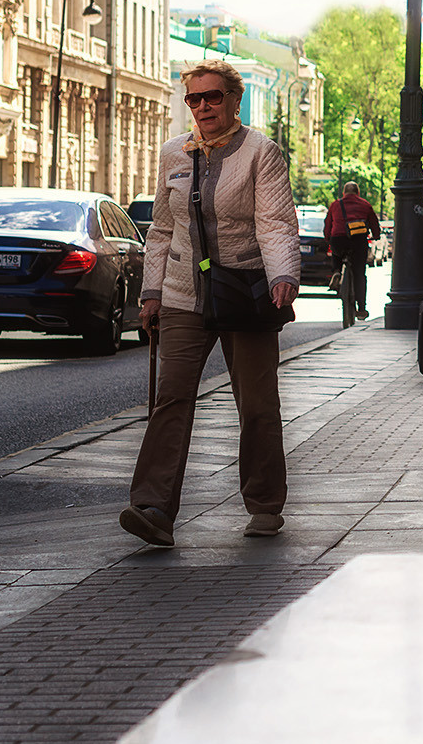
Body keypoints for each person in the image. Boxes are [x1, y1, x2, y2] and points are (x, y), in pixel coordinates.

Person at [121, 59, 300, 547]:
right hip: (184, 294)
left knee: (257, 404)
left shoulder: (261, 152)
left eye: (213, 96)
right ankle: (153, 507)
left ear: (234, 100)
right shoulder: (173, 153)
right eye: (194, 98)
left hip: (245, 292)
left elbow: (275, 222)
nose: (203, 106)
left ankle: (265, 504)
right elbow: (162, 227)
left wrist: (283, 274)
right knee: (171, 397)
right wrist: (152, 293)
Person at [322, 181, 380, 326]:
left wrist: (328, 238)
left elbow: (328, 224)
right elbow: (374, 224)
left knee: (336, 253)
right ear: (358, 193)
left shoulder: (335, 205)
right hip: (358, 241)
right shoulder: (365, 205)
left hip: (338, 240)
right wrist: (376, 235)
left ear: (344, 193)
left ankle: (336, 271)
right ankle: (361, 308)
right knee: (359, 273)